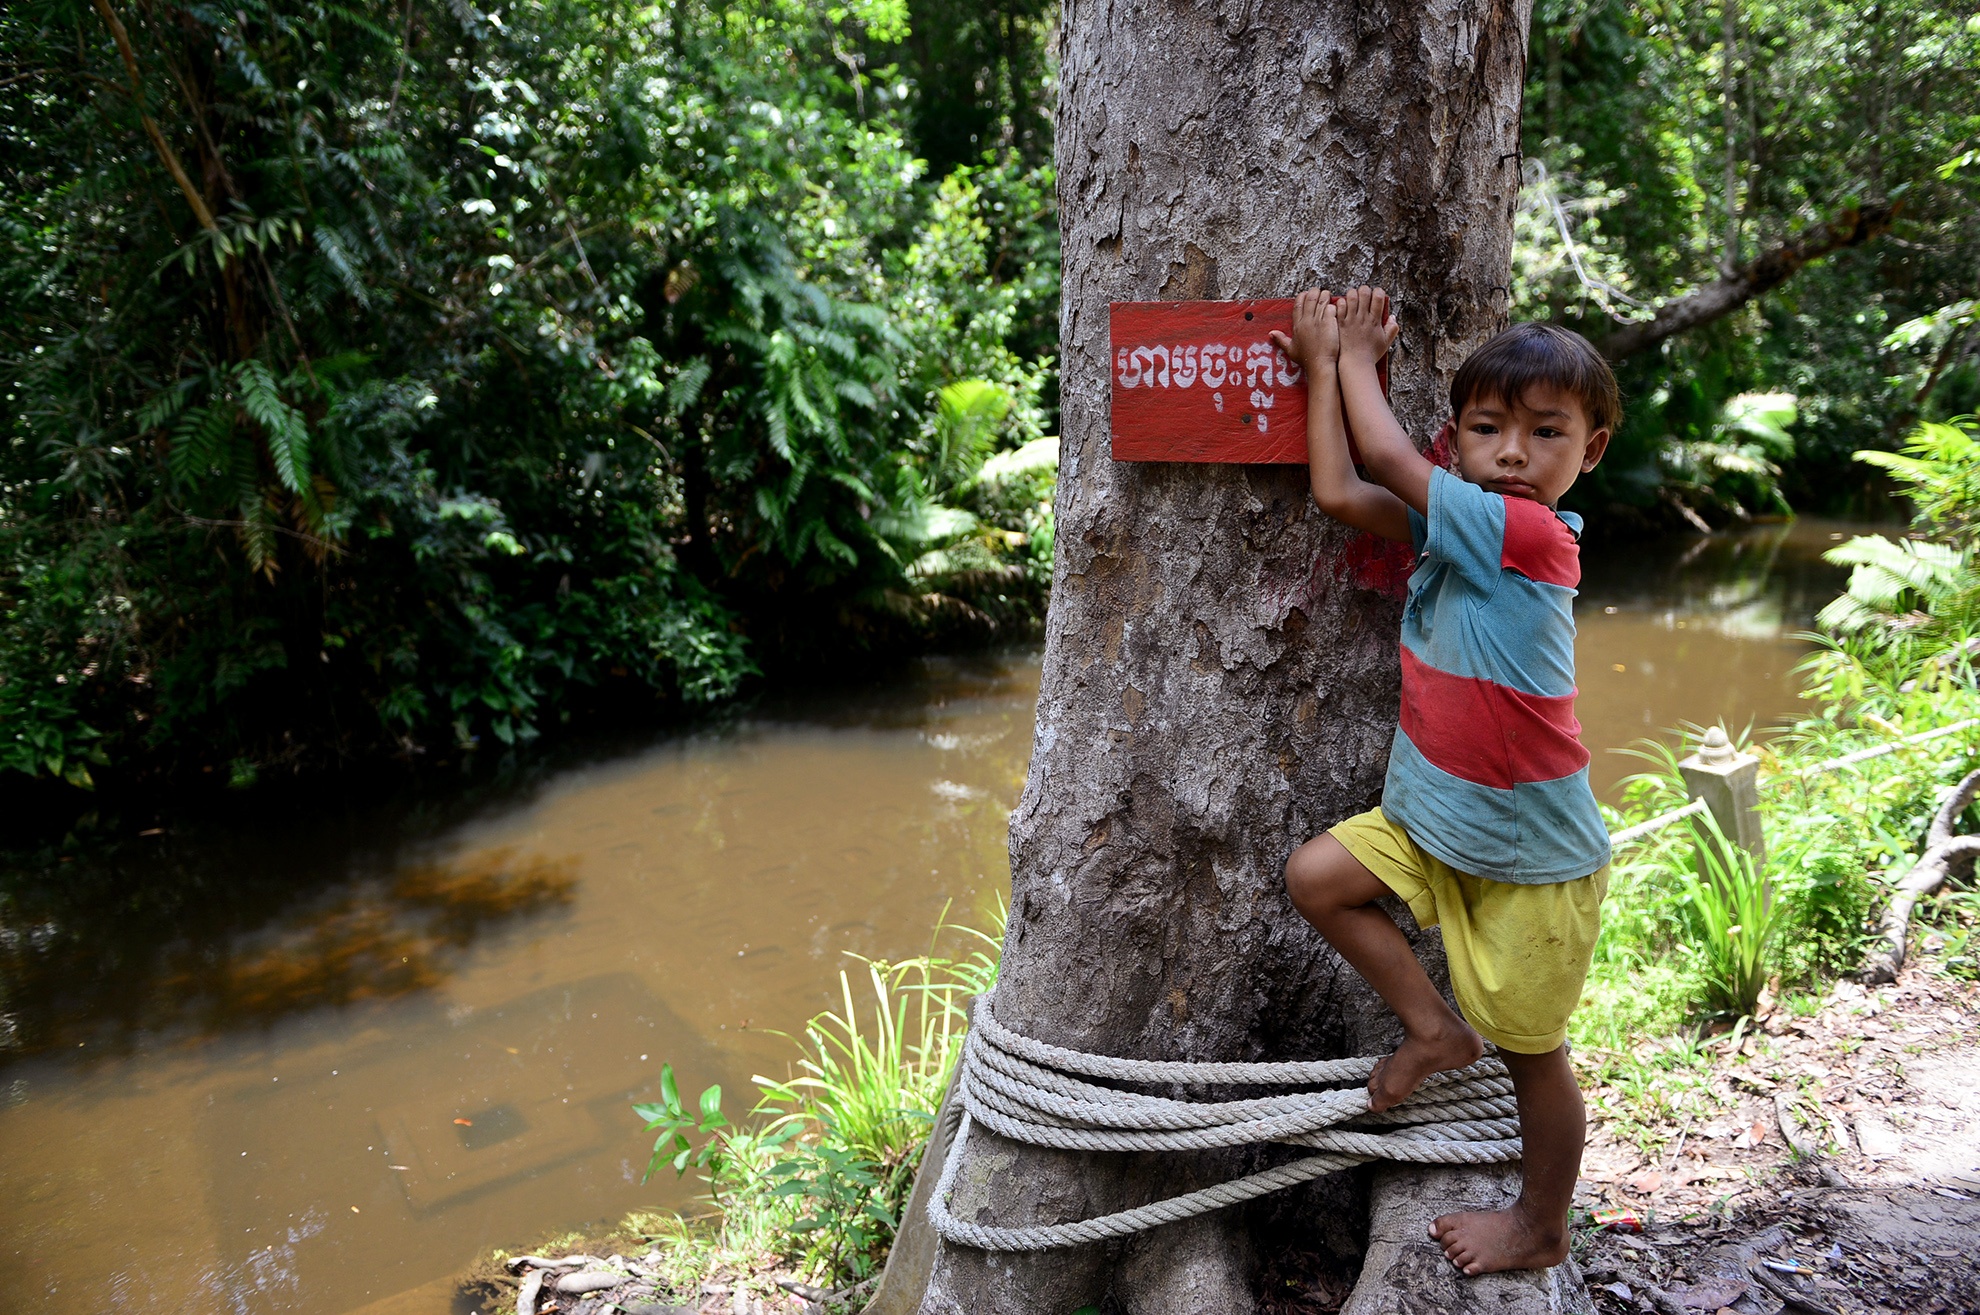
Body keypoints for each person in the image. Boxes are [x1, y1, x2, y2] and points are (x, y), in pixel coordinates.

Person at [1269, 287, 1616, 1277]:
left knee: (1534, 1053)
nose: (1511, 453)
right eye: (1486, 429)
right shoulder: (1458, 530)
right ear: (1455, 438)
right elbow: (1342, 491)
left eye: (1545, 432)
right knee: (1317, 877)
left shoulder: (1533, 537)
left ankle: (1541, 1224)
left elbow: (1385, 459)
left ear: (1590, 450)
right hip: (1434, 818)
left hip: (1532, 856)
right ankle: (1432, 1029)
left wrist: (1352, 354)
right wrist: (1320, 372)